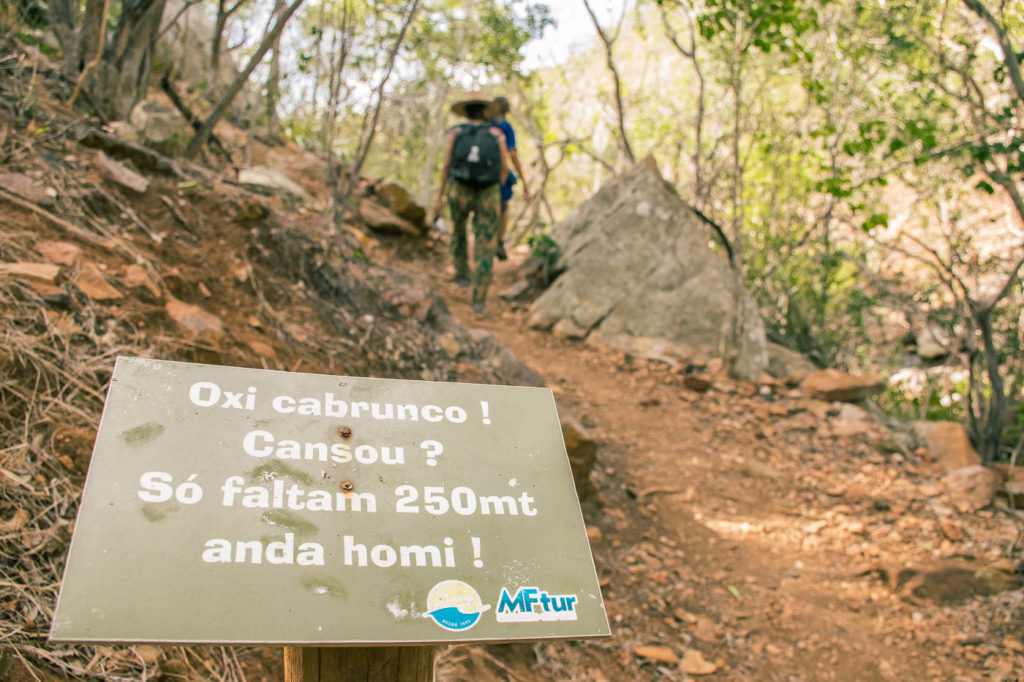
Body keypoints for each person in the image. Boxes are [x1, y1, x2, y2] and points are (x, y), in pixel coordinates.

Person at [433, 92, 509, 316]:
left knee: (458, 231)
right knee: (485, 243)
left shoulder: (455, 133)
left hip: (459, 190)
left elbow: (446, 165)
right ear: (486, 112)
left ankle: (462, 276)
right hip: (488, 191)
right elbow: (504, 168)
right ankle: (478, 301)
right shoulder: (496, 134)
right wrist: (497, 190)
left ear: (466, 111)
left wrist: (439, 198)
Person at [491, 95, 530, 260]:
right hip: (500, 172)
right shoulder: (505, 127)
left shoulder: (484, 124)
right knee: (505, 206)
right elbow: (512, 153)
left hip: (481, 173)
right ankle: (499, 241)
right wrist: (524, 180)